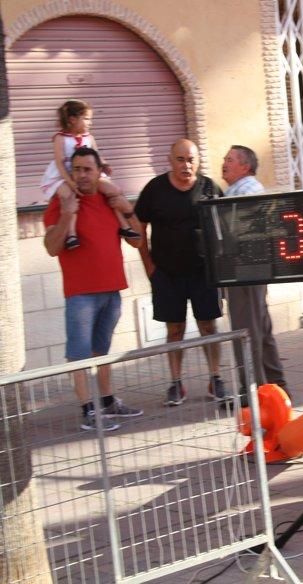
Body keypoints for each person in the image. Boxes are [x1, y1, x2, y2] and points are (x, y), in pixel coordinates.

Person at [43, 147, 144, 430]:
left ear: (99, 171)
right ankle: (88, 410)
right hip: (80, 293)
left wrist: (127, 208)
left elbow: (136, 241)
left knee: (103, 350)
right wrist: (66, 215)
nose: (82, 175)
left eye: (88, 169)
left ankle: (108, 401)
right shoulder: (61, 201)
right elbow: (51, 247)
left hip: (111, 289)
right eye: (77, 169)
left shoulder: (108, 198)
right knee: (78, 352)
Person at [134, 139, 229, 406]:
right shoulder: (155, 189)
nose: (186, 165)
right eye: (180, 159)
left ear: (198, 161)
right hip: (166, 273)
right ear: (170, 160)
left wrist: (221, 265)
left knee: (209, 326)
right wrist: (149, 267)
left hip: (203, 273)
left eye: (191, 160)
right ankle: (176, 383)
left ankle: (216, 378)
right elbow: (138, 227)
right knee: (174, 329)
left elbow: (226, 226)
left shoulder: (209, 187)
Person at [221, 145, 289, 396]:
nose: (224, 163)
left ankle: (256, 391)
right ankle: (276, 385)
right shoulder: (236, 189)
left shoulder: (246, 189)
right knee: (260, 327)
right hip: (247, 269)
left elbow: (236, 230)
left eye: (230, 159)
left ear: (245, 166)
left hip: (244, 269)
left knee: (248, 332)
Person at [40, 99, 140, 250]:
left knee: (114, 191)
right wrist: (70, 182)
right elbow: (60, 163)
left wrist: (104, 165)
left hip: (88, 174)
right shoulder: (60, 138)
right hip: (63, 176)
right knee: (68, 196)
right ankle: (72, 234)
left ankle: (124, 225)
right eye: (86, 118)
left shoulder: (89, 138)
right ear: (73, 119)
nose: (89, 122)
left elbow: (97, 156)